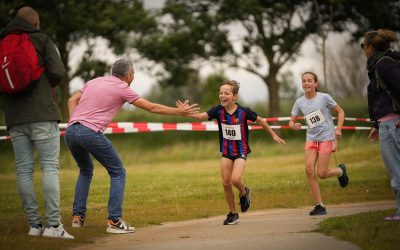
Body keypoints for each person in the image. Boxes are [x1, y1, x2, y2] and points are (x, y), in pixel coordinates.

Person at [65, 58, 198, 233]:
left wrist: (76, 121)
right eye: (133, 73)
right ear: (128, 75)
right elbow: (151, 108)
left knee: (86, 170)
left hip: (71, 130)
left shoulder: (94, 81)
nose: (133, 76)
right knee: (118, 172)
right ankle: (114, 221)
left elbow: (71, 100)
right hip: (89, 132)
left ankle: (77, 218)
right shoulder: (122, 88)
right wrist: (178, 112)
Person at [0, 7, 74, 239]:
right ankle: (54, 227)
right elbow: (58, 72)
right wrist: (43, 85)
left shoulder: (2, 42)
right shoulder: (41, 39)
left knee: (23, 170)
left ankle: (34, 226)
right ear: (35, 22)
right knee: (50, 167)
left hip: (14, 116)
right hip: (42, 112)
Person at [176, 80, 286, 225]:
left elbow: (261, 121)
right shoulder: (217, 110)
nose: (222, 95)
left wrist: (273, 134)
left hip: (241, 150)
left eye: (226, 93)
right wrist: (185, 112)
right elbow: (200, 116)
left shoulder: (244, 112)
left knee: (235, 180)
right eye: (221, 93)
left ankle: (244, 192)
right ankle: (233, 213)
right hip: (226, 151)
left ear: (234, 96)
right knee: (226, 183)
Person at [289, 72, 348, 216]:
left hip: (326, 137)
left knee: (322, 173)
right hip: (311, 138)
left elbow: (340, 112)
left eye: (309, 81)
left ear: (315, 83)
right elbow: (291, 120)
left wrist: (338, 129)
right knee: (309, 170)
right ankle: (319, 205)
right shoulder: (299, 102)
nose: (306, 83)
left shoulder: (324, 98)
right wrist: (293, 125)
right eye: (304, 81)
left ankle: (340, 171)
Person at [362, 29, 400, 221]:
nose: (363, 49)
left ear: (371, 47)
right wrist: (376, 125)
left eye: (363, 46)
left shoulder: (384, 65)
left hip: (393, 124)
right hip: (386, 123)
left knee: (396, 169)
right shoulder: (380, 64)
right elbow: (378, 95)